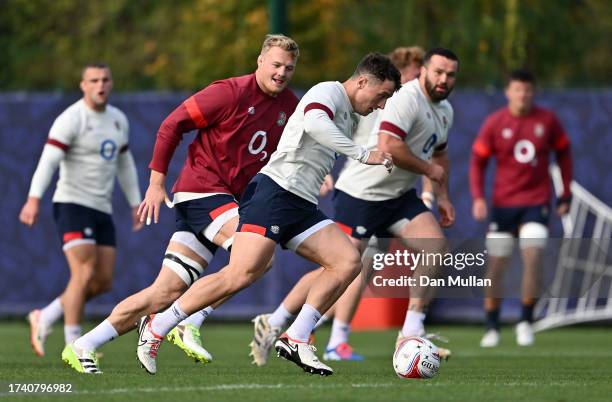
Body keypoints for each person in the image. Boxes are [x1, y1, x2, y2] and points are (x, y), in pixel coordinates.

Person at [135, 52, 401, 376]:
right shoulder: (328, 92)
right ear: (362, 82)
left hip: (300, 203)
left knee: (347, 261)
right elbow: (316, 123)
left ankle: (296, 337)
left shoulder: (350, 112)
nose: (382, 104)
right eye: (382, 95)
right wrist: (363, 154)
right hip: (274, 193)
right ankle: (158, 326)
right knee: (240, 274)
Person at [62, 34, 300, 374]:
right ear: (260, 61)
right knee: (257, 259)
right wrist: (156, 184)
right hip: (202, 191)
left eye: (288, 68)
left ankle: (85, 344)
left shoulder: (289, 106)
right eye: (276, 65)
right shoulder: (229, 92)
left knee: (164, 292)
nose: (281, 73)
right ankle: (189, 321)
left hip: (223, 200)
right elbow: (172, 125)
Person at [250, 47, 459, 364]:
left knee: (433, 247)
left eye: (450, 74)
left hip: (397, 195)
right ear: (422, 71)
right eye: (434, 71)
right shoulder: (403, 99)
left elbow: (439, 153)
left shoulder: (443, 110)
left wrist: (440, 196)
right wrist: (428, 172)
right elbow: (390, 147)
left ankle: (411, 332)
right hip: (362, 192)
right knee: (346, 265)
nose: (442, 79)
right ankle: (284, 322)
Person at [19, 63, 143, 359]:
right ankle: (74, 342)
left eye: (105, 79)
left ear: (111, 84)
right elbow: (48, 161)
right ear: (83, 85)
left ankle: (46, 315)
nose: (100, 85)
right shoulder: (71, 119)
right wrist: (33, 199)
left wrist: (135, 202)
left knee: (102, 281)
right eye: (94, 80)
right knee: (84, 272)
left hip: (101, 208)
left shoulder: (117, 120)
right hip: (72, 204)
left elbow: (124, 165)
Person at [470, 69, 572, 348]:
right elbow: (478, 161)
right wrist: (478, 197)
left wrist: (565, 192)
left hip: (536, 202)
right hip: (503, 204)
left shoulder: (547, 121)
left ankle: (525, 321)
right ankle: (492, 326)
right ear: (508, 92)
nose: (522, 95)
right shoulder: (495, 123)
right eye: (517, 90)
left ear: (534, 92)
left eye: (527, 90)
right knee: (497, 265)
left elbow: (564, 153)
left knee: (533, 255)